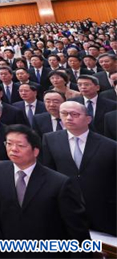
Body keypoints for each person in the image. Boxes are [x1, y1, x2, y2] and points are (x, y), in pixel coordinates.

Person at [0, 125, 90, 247]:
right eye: (9, 144)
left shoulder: (60, 183)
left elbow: (77, 230)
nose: (13, 149)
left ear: (35, 151)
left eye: (20, 145)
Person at [42, 101, 116, 236]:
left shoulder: (110, 146)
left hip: (102, 211)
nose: (69, 118)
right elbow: (49, 172)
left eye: (74, 114)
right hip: (66, 208)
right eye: (64, 114)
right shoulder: (50, 139)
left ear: (88, 119)